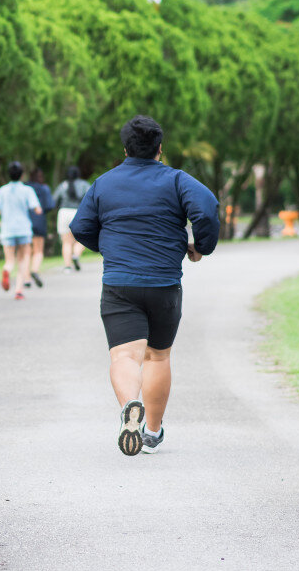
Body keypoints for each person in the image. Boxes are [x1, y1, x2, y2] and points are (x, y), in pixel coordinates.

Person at [69, 116, 219, 456]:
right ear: (160, 149)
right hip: (164, 284)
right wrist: (200, 247)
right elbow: (207, 209)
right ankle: (151, 431)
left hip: (120, 283)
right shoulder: (177, 180)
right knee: (157, 356)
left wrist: (110, 247)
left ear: (125, 148)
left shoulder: (104, 183)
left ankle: (130, 407)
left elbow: (80, 227)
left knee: (124, 355)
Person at [0, 161, 43, 301]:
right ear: (21, 175)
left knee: (9, 260)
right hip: (23, 229)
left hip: (7, 230)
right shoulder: (27, 190)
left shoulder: (2, 190)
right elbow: (37, 209)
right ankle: (19, 291)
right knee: (23, 259)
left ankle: (7, 270)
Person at [53, 166, 91, 272]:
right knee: (83, 238)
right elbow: (90, 198)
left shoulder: (63, 185)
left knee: (66, 242)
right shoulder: (84, 184)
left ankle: (67, 266)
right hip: (78, 212)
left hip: (64, 212)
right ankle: (76, 254)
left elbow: (54, 201)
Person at [26, 168, 55, 288]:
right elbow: (50, 205)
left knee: (26, 251)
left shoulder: (25, 187)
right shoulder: (44, 188)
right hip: (39, 220)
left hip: (25, 221)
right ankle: (35, 270)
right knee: (38, 250)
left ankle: (26, 278)